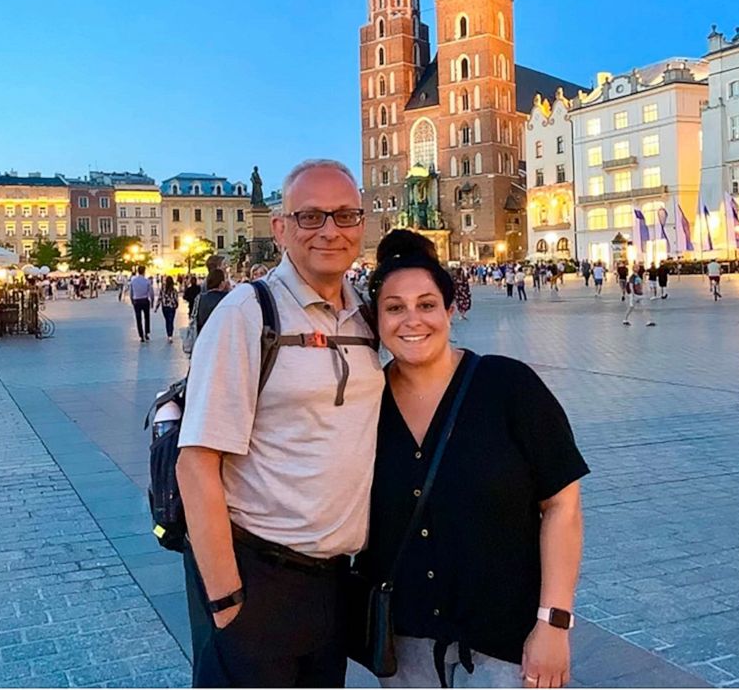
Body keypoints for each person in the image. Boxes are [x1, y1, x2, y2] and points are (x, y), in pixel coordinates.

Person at [176, 159, 383, 687]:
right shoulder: (248, 313)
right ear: (280, 228)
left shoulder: (364, 319)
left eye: (345, 215)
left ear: (362, 224)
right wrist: (226, 598)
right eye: (310, 217)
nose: (330, 231)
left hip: (332, 582)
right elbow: (196, 461)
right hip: (257, 577)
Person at [362, 229, 588, 689]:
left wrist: (554, 622)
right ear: (377, 320)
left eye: (427, 305)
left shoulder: (508, 387)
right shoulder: (364, 403)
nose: (412, 320)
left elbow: (562, 506)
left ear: (450, 310)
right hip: (404, 646)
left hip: (506, 645)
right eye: (394, 308)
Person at [194, 269, 229, 335]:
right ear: (222, 283)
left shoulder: (200, 298)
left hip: (203, 336)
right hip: (221, 337)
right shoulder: (227, 297)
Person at [128, 265, 154, 342]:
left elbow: (131, 292)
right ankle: (146, 333)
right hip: (145, 300)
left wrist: (132, 300)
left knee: (138, 318)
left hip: (137, 300)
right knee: (147, 317)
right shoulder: (147, 281)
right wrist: (152, 301)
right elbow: (151, 293)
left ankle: (141, 335)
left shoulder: (133, 281)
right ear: (144, 271)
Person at [154, 276, 179, 343]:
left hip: (165, 307)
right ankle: (170, 335)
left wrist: (156, 307)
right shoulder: (174, 290)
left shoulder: (163, 290)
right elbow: (176, 299)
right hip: (172, 307)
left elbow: (160, 298)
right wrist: (176, 305)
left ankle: (169, 334)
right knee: (171, 321)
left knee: (167, 321)